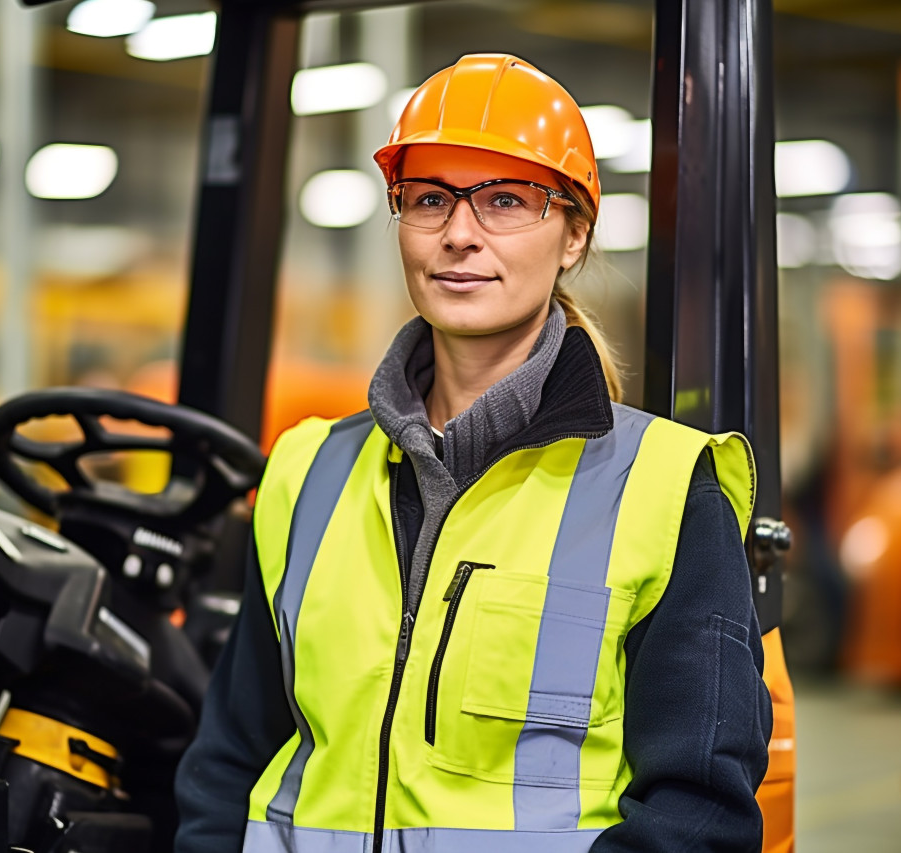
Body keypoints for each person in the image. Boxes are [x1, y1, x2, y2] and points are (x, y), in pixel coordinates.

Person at [174, 53, 771, 853]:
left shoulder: (665, 492)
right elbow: (229, 760)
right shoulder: (306, 473)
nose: (460, 233)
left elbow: (697, 814)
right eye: (428, 200)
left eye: (504, 201)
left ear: (574, 234)